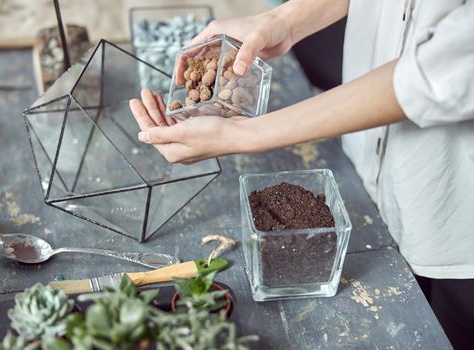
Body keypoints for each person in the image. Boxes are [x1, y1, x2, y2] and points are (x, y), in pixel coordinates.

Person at [129, 1, 474, 348]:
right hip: (365, 155)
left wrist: (244, 135)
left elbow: (445, 71)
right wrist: (281, 21)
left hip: (453, 210)